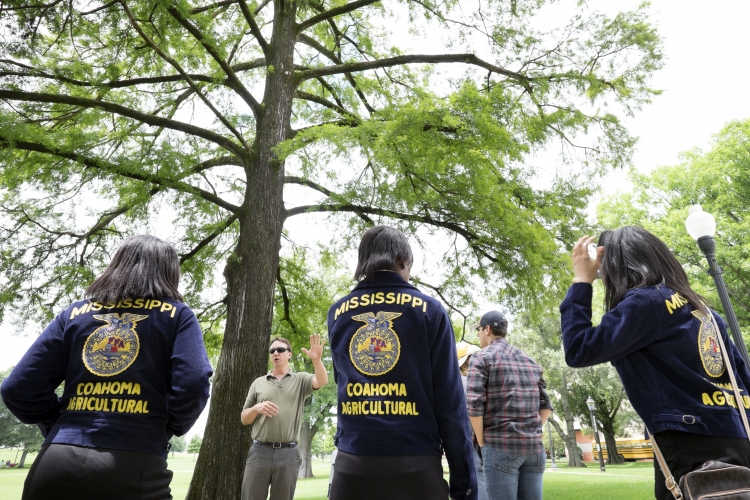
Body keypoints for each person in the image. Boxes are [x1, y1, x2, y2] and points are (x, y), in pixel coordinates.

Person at [0, 234, 213, 500]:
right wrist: (165, 427)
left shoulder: (74, 314)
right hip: (134, 464)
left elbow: (17, 388)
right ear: (169, 271)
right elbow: (193, 383)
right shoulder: (177, 315)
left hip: (55, 461)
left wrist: (63, 423)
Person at [560, 227, 750, 500]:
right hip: (738, 433)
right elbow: (741, 376)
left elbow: (579, 348)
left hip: (686, 439)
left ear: (618, 267)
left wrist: (581, 282)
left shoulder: (646, 303)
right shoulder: (705, 311)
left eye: (604, 269)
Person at [327, 225, 477, 500]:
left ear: (364, 263)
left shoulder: (337, 313)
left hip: (352, 466)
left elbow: (342, 383)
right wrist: (464, 484)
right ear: (403, 261)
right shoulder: (429, 310)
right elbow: (451, 404)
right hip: (415, 466)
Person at [466, 310, 552, 500]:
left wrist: (481, 442)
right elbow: (546, 406)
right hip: (534, 449)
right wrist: (532, 431)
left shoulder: (481, 358)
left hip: (499, 445)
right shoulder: (530, 361)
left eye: (479, 330)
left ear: (487, 329)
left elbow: (474, 405)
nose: (478, 334)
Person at [240, 334, 328, 500]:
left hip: (288, 453)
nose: (276, 353)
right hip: (260, 452)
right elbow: (245, 419)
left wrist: (316, 360)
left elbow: (322, 381)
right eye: (272, 350)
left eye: (280, 349)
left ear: (289, 354)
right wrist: (256, 408)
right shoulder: (258, 383)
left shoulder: (300, 379)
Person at [457, 341, 486, 500]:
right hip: (490, 440)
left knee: (475, 481)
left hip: (468, 441)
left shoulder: (458, 383)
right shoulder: (485, 382)